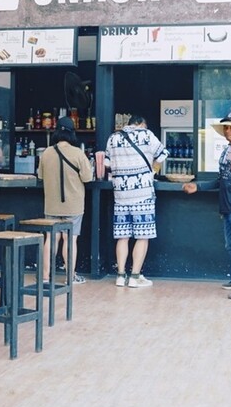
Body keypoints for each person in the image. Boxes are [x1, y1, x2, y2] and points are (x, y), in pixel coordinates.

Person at [183, 111, 231, 300]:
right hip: (227, 206)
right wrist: (198, 187)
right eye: (226, 127)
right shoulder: (226, 151)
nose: (228, 130)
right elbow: (221, 181)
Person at [104, 115, 168, 288]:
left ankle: (120, 275)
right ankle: (135, 277)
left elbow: (107, 163)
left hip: (121, 194)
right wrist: (152, 170)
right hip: (143, 193)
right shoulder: (147, 135)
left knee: (122, 236)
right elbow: (163, 154)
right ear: (142, 124)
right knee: (142, 236)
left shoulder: (113, 138)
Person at [36, 116, 93, 284]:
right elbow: (87, 178)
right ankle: (70, 277)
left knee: (50, 239)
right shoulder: (78, 153)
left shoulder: (46, 153)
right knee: (70, 239)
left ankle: (45, 277)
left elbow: (40, 176)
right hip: (73, 205)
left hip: (52, 204)